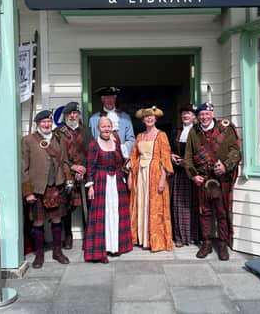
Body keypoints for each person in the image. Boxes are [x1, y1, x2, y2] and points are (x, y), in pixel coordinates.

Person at [184, 101, 241, 260]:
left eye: (207, 114)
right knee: (204, 212)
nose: (204, 117)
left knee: (222, 212)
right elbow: (187, 157)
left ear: (212, 114)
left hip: (221, 178)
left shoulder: (225, 128)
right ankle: (207, 243)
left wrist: (226, 166)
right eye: (201, 114)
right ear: (198, 116)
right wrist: (193, 175)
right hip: (203, 179)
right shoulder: (193, 132)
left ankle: (223, 244)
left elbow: (236, 151)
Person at [21, 110, 73, 269]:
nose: (47, 124)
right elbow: (24, 168)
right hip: (38, 188)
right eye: (43, 122)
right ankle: (39, 255)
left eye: (49, 122)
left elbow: (64, 162)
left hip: (57, 185)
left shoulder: (59, 139)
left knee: (57, 219)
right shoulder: (28, 140)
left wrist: (68, 179)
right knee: (38, 221)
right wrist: (28, 191)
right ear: (38, 123)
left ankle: (57, 252)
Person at [84, 117, 133, 263]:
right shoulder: (94, 145)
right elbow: (90, 166)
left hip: (117, 182)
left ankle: (116, 246)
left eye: (108, 126)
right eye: (103, 126)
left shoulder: (116, 143)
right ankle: (103, 248)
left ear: (112, 128)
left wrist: (127, 172)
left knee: (116, 213)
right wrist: (90, 185)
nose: (106, 129)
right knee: (103, 215)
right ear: (98, 128)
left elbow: (121, 163)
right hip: (101, 182)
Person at [128, 106, 173, 252]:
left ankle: (156, 240)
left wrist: (162, 179)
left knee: (155, 206)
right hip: (140, 175)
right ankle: (141, 238)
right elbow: (134, 156)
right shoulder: (140, 136)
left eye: (151, 117)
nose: (149, 119)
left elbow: (165, 158)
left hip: (155, 175)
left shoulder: (161, 135)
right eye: (146, 117)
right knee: (140, 203)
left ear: (155, 119)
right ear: (142, 120)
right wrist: (130, 175)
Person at [53, 101, 91, 249]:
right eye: (70, 114)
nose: (73, 116)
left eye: (75, 113)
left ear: (78, 115)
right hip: (66, 173)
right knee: (66, 207)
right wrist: (73, 167)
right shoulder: (58, 132)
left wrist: (83, 169)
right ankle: (68, 236)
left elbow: (91, 152)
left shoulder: (86, 130)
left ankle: (88, 235)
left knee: (86, 205)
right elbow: (57, 156)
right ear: (65, 116)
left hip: (84, 173)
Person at [170, 104, 199, 247]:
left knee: (193, 205)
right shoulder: (176, 131)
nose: (185, 116)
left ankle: (193, 236)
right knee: (178, 205)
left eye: (188, 113)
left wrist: (187, 162)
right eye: (183, 113)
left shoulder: (198, 132)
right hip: (179, 173)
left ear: (194, 116)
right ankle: (179, 237)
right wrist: (172, 156)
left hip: (193, 173)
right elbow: (169, 148)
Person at [89, 86, 135, 159]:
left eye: (112, 98)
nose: (109, 100)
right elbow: (91, 140)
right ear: (102, 100)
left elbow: (131, 140)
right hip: (101, 157)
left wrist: (122, 149)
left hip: (121, 157)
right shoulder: (94, 119)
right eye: (106, 98)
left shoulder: (125, 118)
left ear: (115, 99)